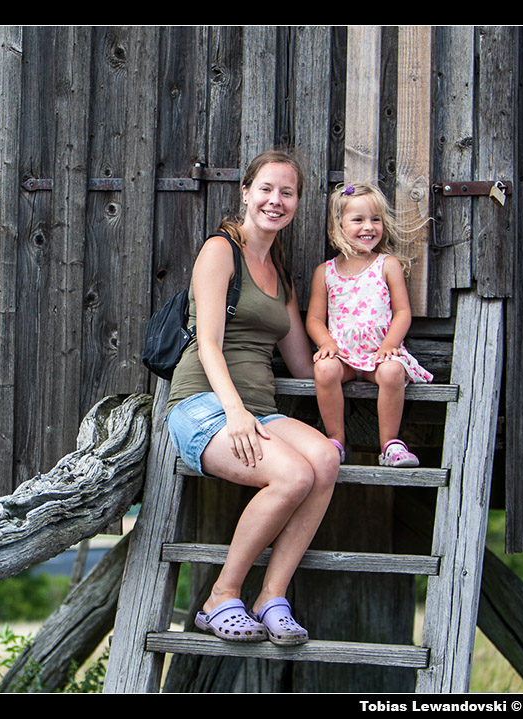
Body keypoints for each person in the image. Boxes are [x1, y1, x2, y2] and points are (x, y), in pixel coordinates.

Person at [166, 149, 339, 646]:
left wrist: (363, 358)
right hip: (204, 404)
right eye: (266, 189)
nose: (275, 200)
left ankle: (271, 597)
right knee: (293, 475)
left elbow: (303, 364)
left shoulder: (281, 274)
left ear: (297, 203)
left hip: (258, 410)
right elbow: (208, 343)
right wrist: (236, 412)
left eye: (287, 192)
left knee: (325, 459)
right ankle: (220, 597)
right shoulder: (220, 250)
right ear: (245, 192)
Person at [305, 182, 433, 469]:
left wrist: (390, 345)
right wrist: (326, 344)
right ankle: (335, 441)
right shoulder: (325, 272)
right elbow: (314, 319)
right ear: (339, 225)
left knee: (392, 372)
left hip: (379, 355)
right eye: (358, 220)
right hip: (344, 356)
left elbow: (402, 312)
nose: (369, 227)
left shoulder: (387, 265)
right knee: (324, 369)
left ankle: (390, 444)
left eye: (375, 219)